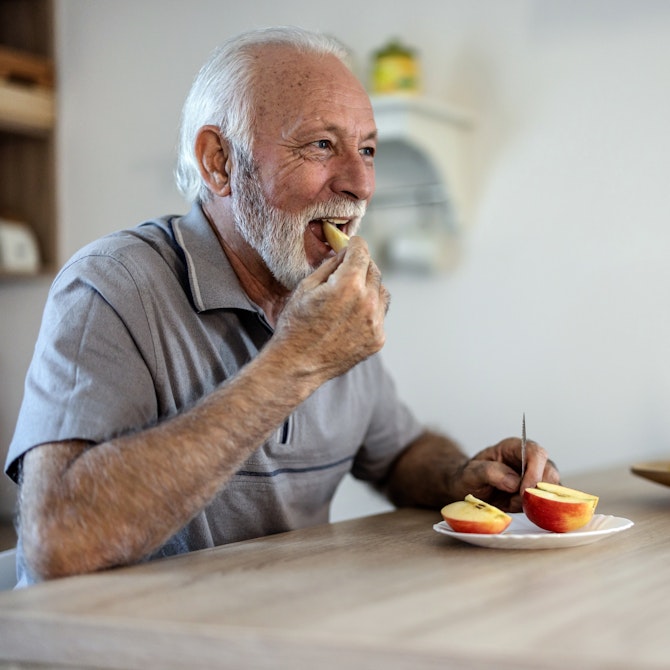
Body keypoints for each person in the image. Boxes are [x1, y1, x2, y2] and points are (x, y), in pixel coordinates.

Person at [4, 26, 558, 587]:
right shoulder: (112, 286)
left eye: (367, 149)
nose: (362, 183)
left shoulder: (323, 293)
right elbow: (58, 542)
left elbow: (398, 454)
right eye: (321, 144)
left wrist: (463, 476)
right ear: (219, 162)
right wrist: (298, 360)